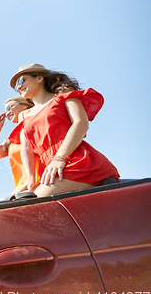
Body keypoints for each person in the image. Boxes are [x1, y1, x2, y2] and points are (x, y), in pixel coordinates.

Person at [8, 63, 119, 197]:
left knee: (30, 205)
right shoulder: (24, 115)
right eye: (16, 86)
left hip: (73, 161)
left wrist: (59, 158)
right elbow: (27, 148)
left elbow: (81, 123)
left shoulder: (64, 97)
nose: (19, 86)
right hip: (49, 168)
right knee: (19, 204)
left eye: (22, 80)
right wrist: (31, 179)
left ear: (39, 78)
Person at [0, 96, 37, 194]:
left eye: (9, 107)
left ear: (24, 105)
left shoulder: (37, 125)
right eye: (5, 112)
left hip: (40, 184)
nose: (7, 113)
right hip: (21, 190)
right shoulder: (13, 139)